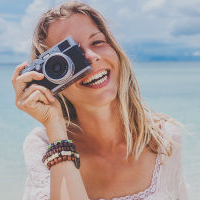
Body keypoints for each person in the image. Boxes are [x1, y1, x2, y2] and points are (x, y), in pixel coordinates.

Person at [12, 1, 188, 200]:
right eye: (69, 56)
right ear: (47, 79)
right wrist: (55, 125)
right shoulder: (43, 145)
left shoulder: (164, 140)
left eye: (97, 42)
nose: (91, 57)